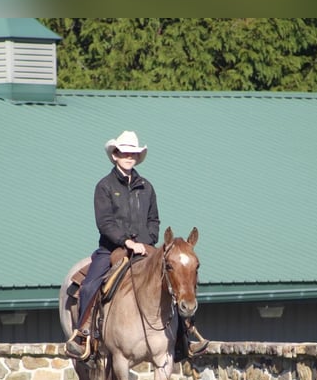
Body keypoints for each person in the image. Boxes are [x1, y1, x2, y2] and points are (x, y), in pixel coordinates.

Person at [65, 130, 209, 361]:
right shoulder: (104, 186)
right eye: (124, 152)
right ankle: (83, 335)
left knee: (172, 278)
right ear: (115, 155)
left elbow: (154, 219)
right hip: (112, 248)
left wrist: (147, 240)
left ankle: (185, 336)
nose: (129, 156)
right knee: (91, 284)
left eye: (133, 153)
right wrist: (127, 242)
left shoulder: (147, 187)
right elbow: (105, 222)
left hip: (145, 248)